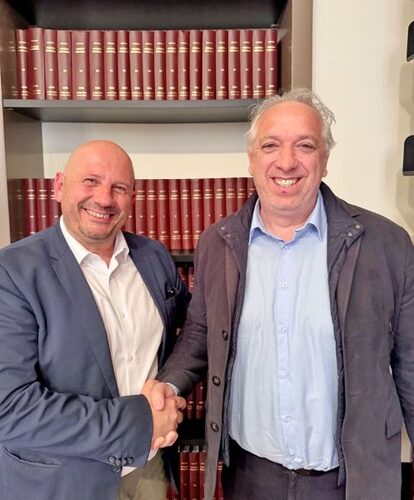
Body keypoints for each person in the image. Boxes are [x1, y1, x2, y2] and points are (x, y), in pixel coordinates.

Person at [151, 88, 414, 500]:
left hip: (352, 480)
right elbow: (201, 333)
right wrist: (168, 386)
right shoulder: (218, 243)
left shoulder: (387, 244)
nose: (287, 162)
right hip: (251, 478)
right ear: (251, 159)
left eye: (305, 146)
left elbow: (411, 364)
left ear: (324, 160)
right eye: (270, 145)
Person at [0, 140, 191, 500]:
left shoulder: (153, 257)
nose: (104, 199)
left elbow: (193, 331)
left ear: (132, 196)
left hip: (150, 470)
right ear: (59, 186)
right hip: (64, 482)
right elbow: (10, 408)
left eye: (119, 187)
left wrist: (170, 388)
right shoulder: (12, 272)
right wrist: (142, 421)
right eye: (90, 181)